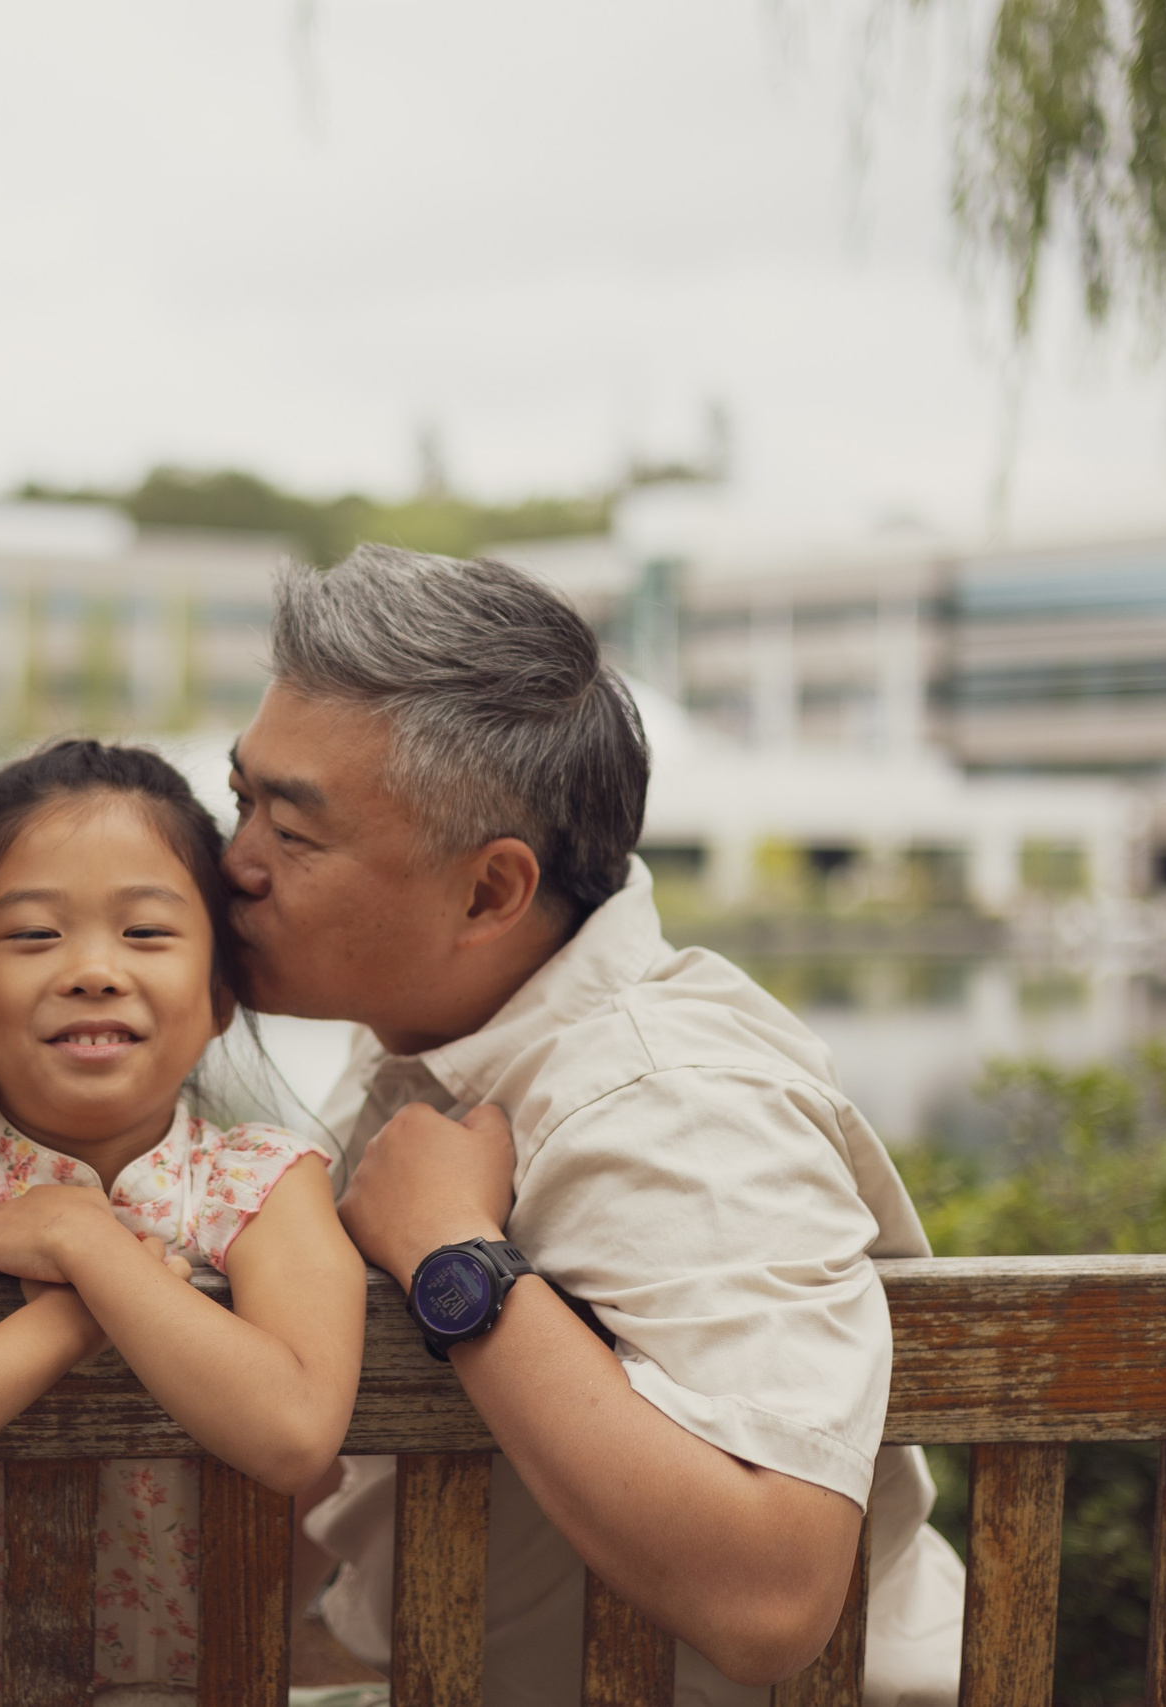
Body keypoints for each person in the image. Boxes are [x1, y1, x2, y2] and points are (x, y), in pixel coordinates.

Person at [225, 547, 964, 1707]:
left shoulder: (672, 1099)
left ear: (488, 894)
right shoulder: (431, 1043)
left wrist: (452, 1262)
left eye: (292, 834)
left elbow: (773, 1594)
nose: (234, 867)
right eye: (240, 803)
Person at [0, 738, 365, 1706]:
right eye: (35, 937)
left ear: (220, 995)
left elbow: (296, 1428)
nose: (92, 971)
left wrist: (87, 1244)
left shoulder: (261, 1182)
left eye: (146, 935)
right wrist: (70, 1316)